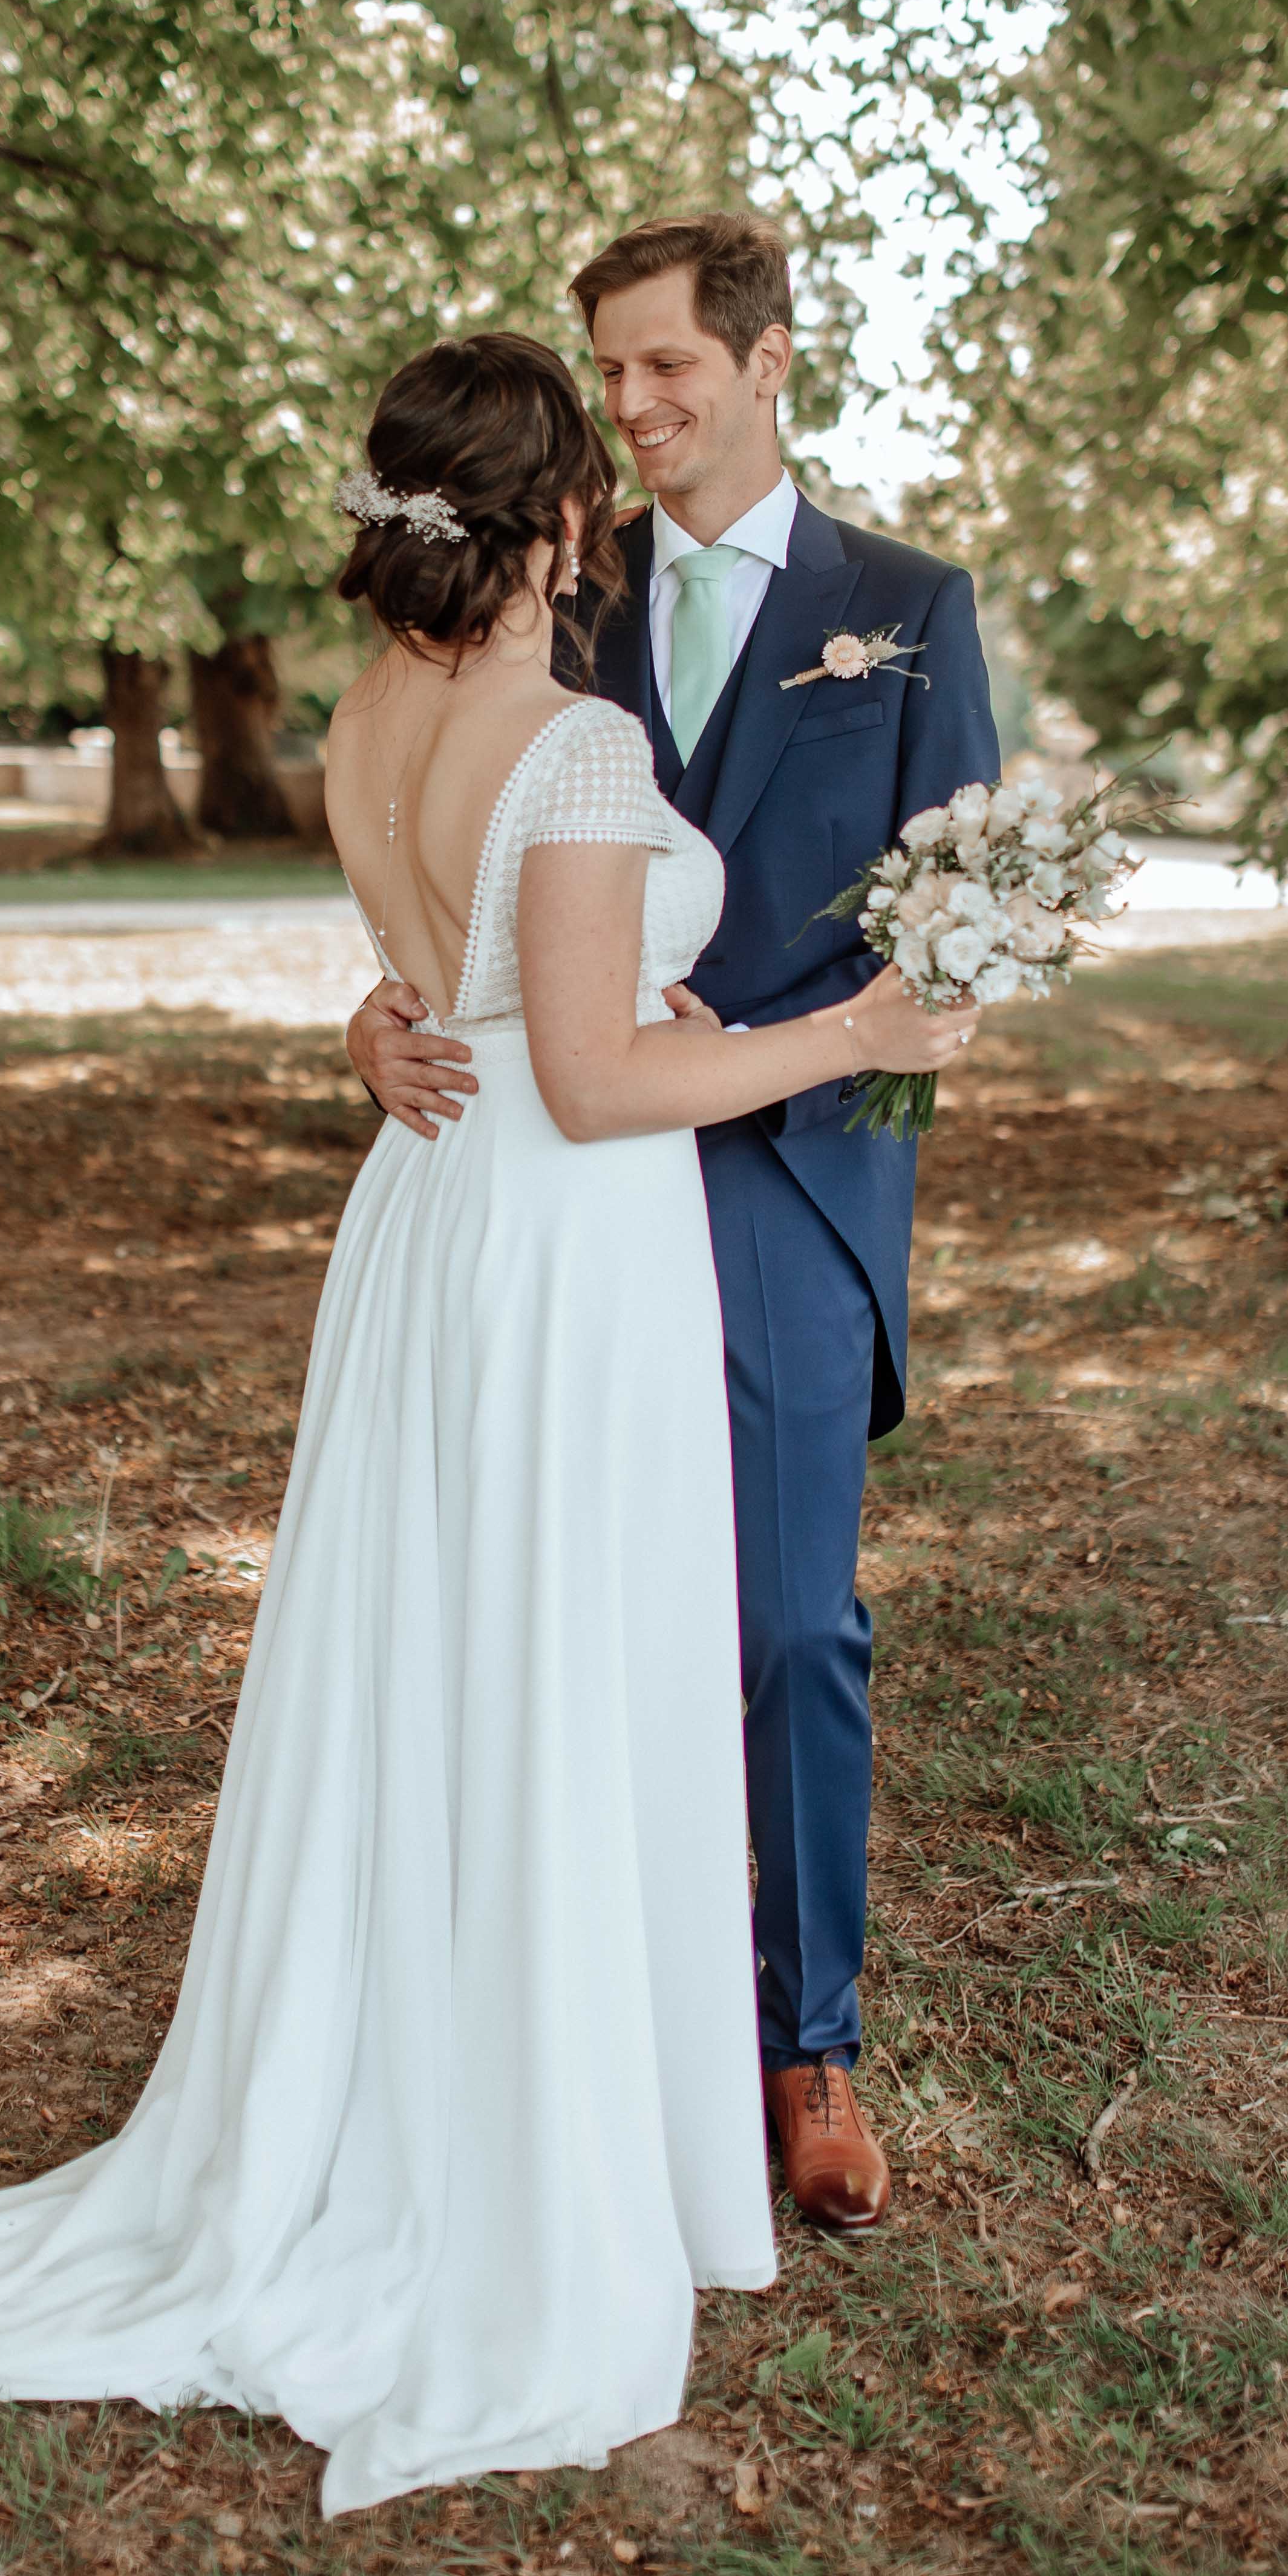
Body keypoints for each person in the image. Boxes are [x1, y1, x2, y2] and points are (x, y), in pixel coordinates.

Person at [0, 330, 972, 2515]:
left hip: (429, 1227)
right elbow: (594, 1078)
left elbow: (439, 985)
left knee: (432, 1670)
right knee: (543, 1673)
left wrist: (405, 1019)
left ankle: (411, 2068)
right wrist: (848, 1022)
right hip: (557, 1250)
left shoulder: (374, 720)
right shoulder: (561, 743)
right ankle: (512, 2155)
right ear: (559, 523)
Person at [350, 219, 1000, 2234]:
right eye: (607, 377)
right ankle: (584, 2007)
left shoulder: (905, 607)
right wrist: (376, 1011)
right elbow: (460, 868)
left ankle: (810, 2047)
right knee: (570, 1607)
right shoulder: (553, 597)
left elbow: (955, 931)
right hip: (573, 1179)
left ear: (766, 359)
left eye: (665, 369)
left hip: (788, 1180)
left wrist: (854, 1097)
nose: (634, 410)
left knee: (789, 1619)